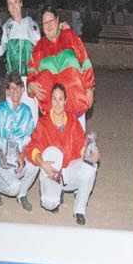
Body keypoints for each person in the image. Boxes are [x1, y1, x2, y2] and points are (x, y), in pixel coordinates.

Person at [27, 82, 98, 224]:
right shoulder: (43, 123)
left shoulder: (72, 121)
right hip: (51, 173)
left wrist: (92, 155)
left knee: (91, 166)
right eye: (54, 98)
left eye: (60, 99)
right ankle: (53, 192)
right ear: (50, 100)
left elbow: (81, 144)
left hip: (69, 171)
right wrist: (42, 164)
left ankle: (79, 209)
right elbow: (32, 146)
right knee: (50, 203)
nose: (57, 103)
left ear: (65, 101)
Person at [0, 73, 39, 212]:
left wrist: (22, 155)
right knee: (13, 188)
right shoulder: (0, 110)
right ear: (7, 91)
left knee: (35, 165)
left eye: (18, 88)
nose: (15, 91)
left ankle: (22, 195)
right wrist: (2, 157)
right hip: (0, 160)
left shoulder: (26, 111)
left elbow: (28, 138)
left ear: (22, 90)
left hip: (16, 159)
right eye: (11, 88)